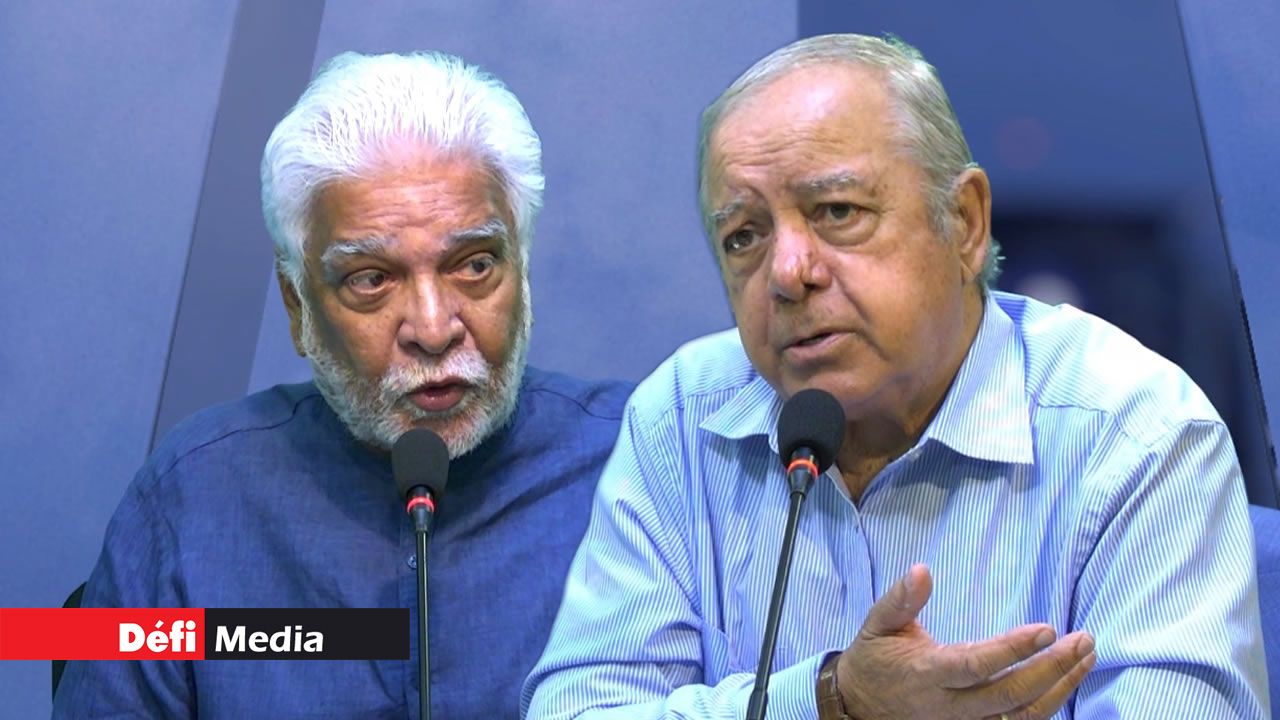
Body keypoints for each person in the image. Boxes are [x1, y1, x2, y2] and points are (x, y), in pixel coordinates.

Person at [523, 33, 1269, 719]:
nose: (787, 272)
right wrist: (831, 698)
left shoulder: (1136, 433)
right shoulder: (683, 417)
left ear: (964, 223)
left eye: (837, 211)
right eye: (744, 236)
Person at [53, 51, 631, 719]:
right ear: (297, 304)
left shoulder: (645, 463)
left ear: (521, 270)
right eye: (371, 280)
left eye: (474, 266)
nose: (433, 328)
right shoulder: (191, 490)